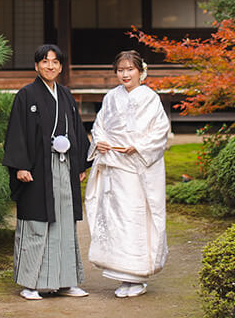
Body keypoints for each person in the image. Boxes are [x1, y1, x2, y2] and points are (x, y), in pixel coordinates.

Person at [2, 44, 92, 300]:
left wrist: (79, 165)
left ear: (61, 67)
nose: (50, 66)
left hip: (64, 166)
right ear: (36, 66)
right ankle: (30, 284)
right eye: (45, 61)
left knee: (64, 221)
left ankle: (67, 281)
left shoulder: (65, 94)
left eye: (55, 62)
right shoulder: (26, 95)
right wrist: (20, 165)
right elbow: (17, 132)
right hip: (37, 168)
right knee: (36, 222)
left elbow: (76, 129)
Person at [85, 49, 172, 298]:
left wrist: (139, 146)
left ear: (140, 71)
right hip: (114, 165)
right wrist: (99, 141)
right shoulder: (111, 97)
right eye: (120, 70)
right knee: (115, 218)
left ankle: (138, 275)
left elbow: (160, 131)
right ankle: (123, 274)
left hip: (137, 168)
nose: (125, 74)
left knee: (135, 217)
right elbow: (99, 125)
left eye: (129, 69)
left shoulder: (150, 97)